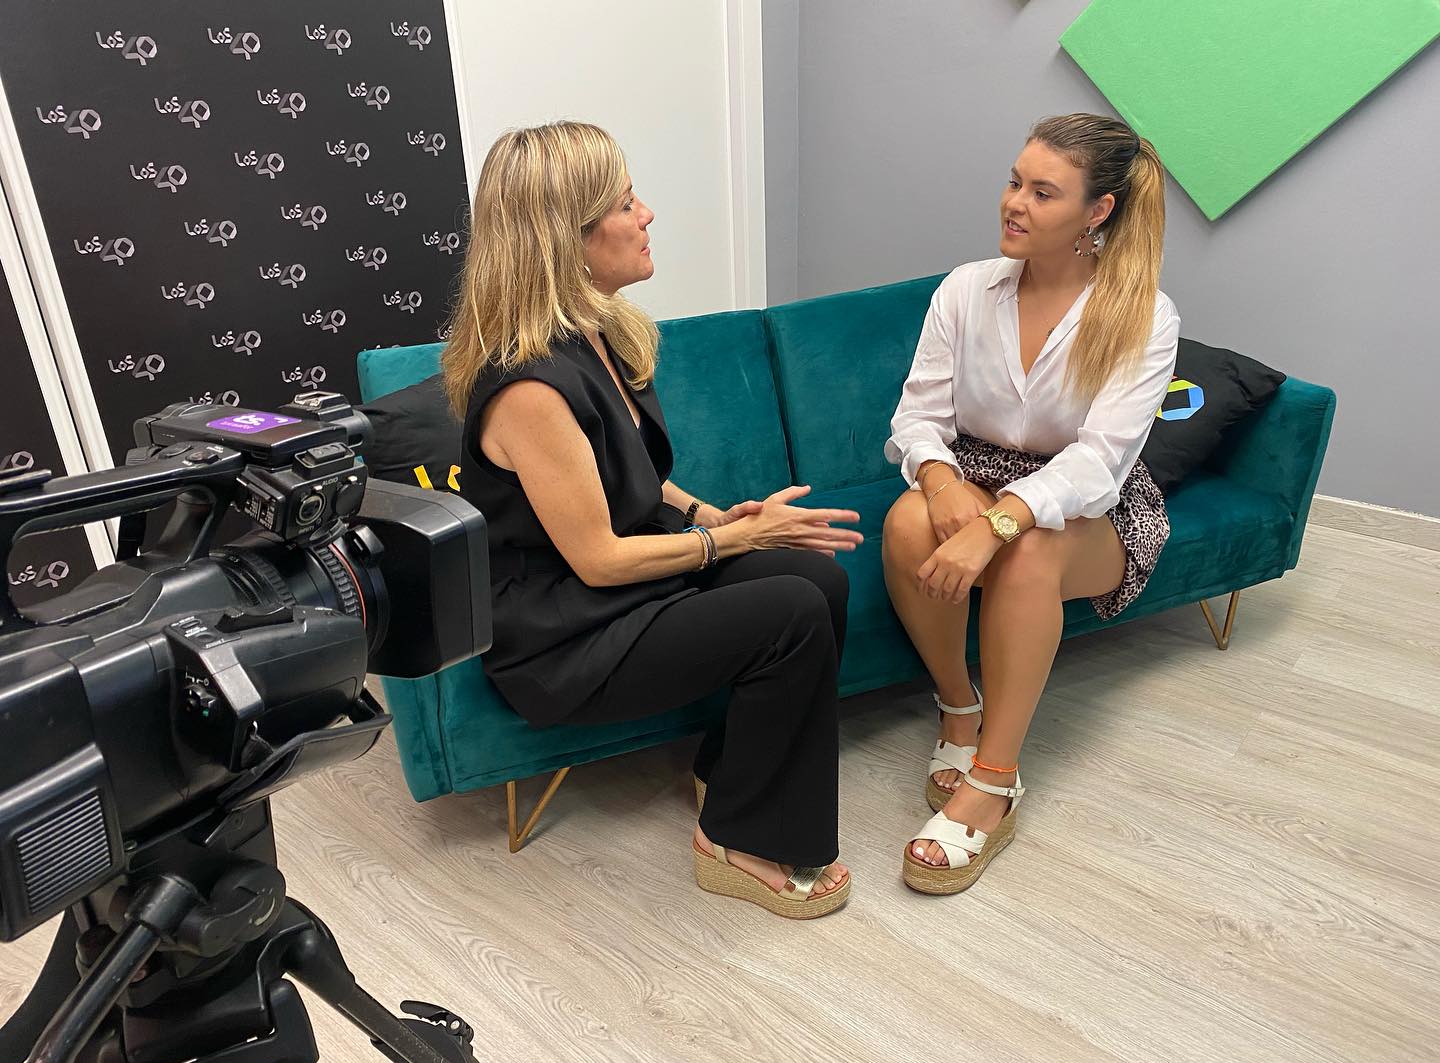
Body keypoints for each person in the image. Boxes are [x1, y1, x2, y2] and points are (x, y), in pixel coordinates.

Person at [441, 122, 863, 918]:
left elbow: (632, 478)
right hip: (565, 637)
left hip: (617, 595)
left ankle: (733, 772)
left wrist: (711, 512)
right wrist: (736, 539)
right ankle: (739, 839)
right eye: (627, 201)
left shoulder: (594, 335)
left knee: (816, 575)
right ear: (567, 238)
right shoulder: (528, 386)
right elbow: (598, 558)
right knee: (793, 609)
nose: (648, 214)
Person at [883, 113, 1180, 895]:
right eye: (1015, 181)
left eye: (1042, 192)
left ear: (1098, 212)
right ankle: (957, 706)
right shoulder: (964, 289)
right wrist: (943, 485)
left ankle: (995, 777)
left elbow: (1100, 461)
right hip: (975, 470)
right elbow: (918, 417)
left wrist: (998, 523)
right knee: (908, 519)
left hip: (1094, 503)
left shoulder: (1146, 316)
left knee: (1032, 551)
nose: (1014, 202)